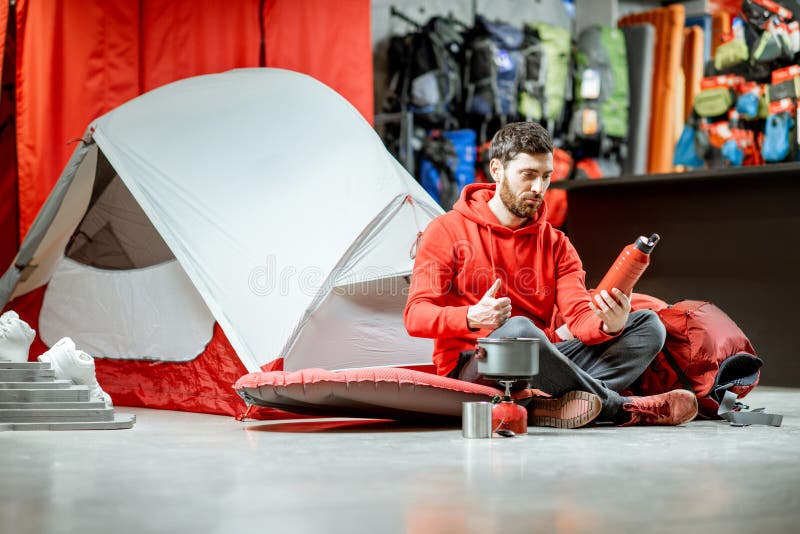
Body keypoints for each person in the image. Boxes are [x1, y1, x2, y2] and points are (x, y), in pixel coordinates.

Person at [404, 121, 698, 428]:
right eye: (528, 175)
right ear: (497, 169)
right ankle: (618, 407)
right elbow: (415, 316)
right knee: (517, 331)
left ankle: (543, 403)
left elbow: (580, 319)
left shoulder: (557, 244)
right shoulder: (445, 231)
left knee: (648, 325)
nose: (538, 188)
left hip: (540, 362)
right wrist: (471, 317)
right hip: (474, 366)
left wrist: (609, 325)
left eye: (546, 176)